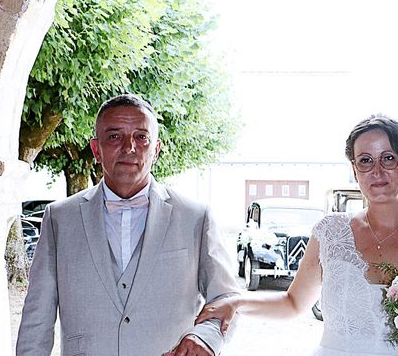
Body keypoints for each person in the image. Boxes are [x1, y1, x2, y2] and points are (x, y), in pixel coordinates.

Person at [196, 114, 398, 355]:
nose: (377, 171)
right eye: (365, 161)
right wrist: (237, 302)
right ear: (354, 170)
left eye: (389, 158)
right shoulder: (331, 232)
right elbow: (292, 303)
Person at [16, 94, 239, 356]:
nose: (129, 147)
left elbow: (227, 299)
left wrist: (206, 338)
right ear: (97, 149)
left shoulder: (195, 218)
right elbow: (36, 320)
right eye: (114, 136)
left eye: (141, 137)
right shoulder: (59, 219)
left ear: (155, 149)